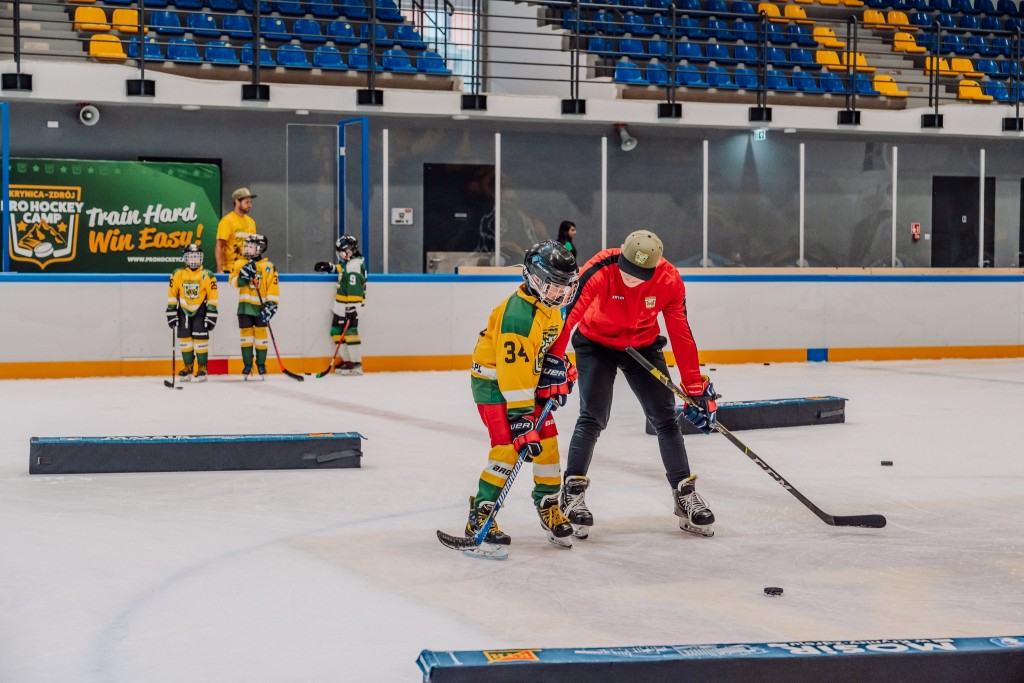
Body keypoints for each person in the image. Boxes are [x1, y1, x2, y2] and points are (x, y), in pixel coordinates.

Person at [547, 229, 719, 539]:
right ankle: (572, 493)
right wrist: (553, 362)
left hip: (642, 345)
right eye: (627, 270)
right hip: (595, 343)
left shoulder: (669, 280)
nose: (630, 279)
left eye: (639, 275)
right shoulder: (600, 268)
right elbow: (567, 317)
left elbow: (680, 331)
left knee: (665, 417)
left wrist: (694, 387)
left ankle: (684, 494)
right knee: (593, 416)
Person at [460, 240, 581, 549]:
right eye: (554, 285)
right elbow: (512, 371)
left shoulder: (550, 307)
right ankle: (481, 513)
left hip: (525, 384)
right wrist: (520, 418)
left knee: (548, 446)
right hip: (495, 387)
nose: (561, 292)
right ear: (535, 279)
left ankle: (548, 504)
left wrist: (559, 367)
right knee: (508, 449)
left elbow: (544, 349)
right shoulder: (518, 316)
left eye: (565, 285)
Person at [314, 235, 367, 376]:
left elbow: (355, 289)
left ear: (350, 251)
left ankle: (356, 363)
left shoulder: (355, 266)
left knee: (350, 333)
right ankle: (348, 360)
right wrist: (330, 267)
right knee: (335, 331)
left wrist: (352, 308)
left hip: (350, 306)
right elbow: (343, 269)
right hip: (341, 305)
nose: (341, 255)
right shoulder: (351, 263)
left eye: (342, 252)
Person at [166, 243, 219, 382]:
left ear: (201, 258)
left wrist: (212, 313)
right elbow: (172, 294)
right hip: (183, 312)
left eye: (196, 256)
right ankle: (188, 366)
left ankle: (202, 367)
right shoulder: (177, 274)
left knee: (201, 342)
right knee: (185, 341)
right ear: (185, 258)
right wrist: (171, 311)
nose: (194, 259)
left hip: (201, 312)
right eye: (191, 257)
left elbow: (213, 296)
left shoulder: (207, 275)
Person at [228, 233, 278, 380]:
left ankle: (261, 365)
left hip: (261, 308)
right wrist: (243, 277)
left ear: (260, 249)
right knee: (246, 337)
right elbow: (233, 282)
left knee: (261, 337)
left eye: (251, 246)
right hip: (244, 307)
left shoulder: (268, 267)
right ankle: (247, 365)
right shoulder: (239, 263)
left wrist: (271, 305)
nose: (247, 249)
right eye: (247, 246)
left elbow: (273, 288)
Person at [215, 187, 257, 274]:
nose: (250, 205)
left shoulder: (251, 222)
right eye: (247, 202)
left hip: (248, 269)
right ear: (237, 202)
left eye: (250, 202)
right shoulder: (227, 221)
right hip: (230, 269)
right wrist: (219, 269)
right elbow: (219, 246)